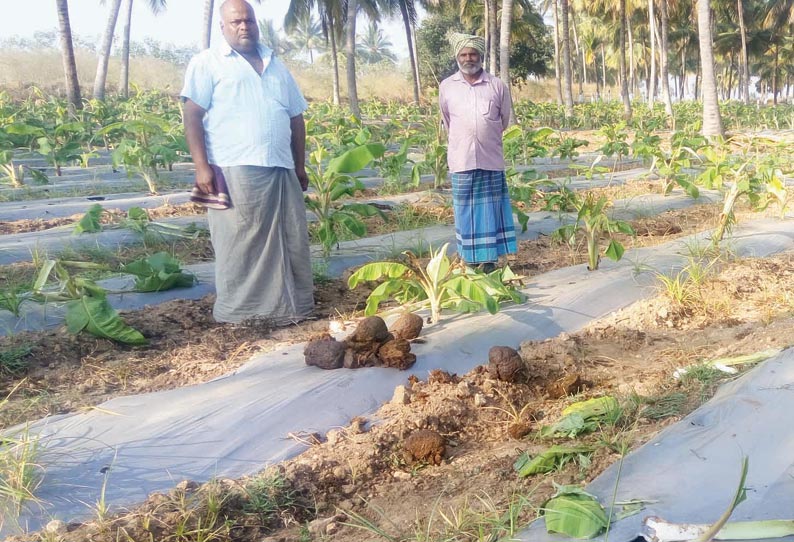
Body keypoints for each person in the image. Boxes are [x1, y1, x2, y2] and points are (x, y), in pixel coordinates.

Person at [181, 0, 314, 324]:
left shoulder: (275, 64)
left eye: (249, 21)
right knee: (243, 242)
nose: (244, 27)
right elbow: (192, 116)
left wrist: (299, 166)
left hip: (280, 166)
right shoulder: (208, 63)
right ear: (223, 27)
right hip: (235, 165)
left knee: (291, 237)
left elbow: (296, 118)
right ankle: (244, 314)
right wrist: (202, 167)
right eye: (237, 22)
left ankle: (292, 310)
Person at [438, 32, 517, 273]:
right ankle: (470, 262)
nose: (468, 58)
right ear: (457, 57)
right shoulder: (447, 87)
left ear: (480, 56)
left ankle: (490, 262)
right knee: (465, 211)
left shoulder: (496, 86)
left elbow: (503, 120)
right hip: (461, 160)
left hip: (490, 159)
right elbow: (447, 120)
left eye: (472, 53)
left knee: (490, 211)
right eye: (463, 54)